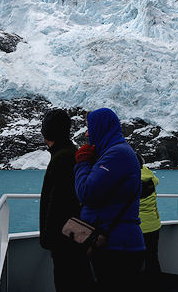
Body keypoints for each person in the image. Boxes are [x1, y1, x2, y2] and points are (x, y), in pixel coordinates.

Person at [74, 108, 145, 292]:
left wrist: (82, 163)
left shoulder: (117, 154)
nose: (88, 133)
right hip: (114, 243)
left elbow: (87, 192)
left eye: (90, 127)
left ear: (102, 127)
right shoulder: (114, 152)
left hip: (118, 247)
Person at [39, 109, 93, 292]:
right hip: (74, 237)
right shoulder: (70, 153)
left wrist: (49, 239)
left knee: (67, 283)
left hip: (65, 240)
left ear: (47, 132)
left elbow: (59, 204)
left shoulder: (62, 157)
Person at [137, 153, 162, 288]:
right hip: (154, 224)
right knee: (152, 256)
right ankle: (155, 284)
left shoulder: (130, 180)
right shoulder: (152, 179)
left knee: (135, 258)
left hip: (137, 226)